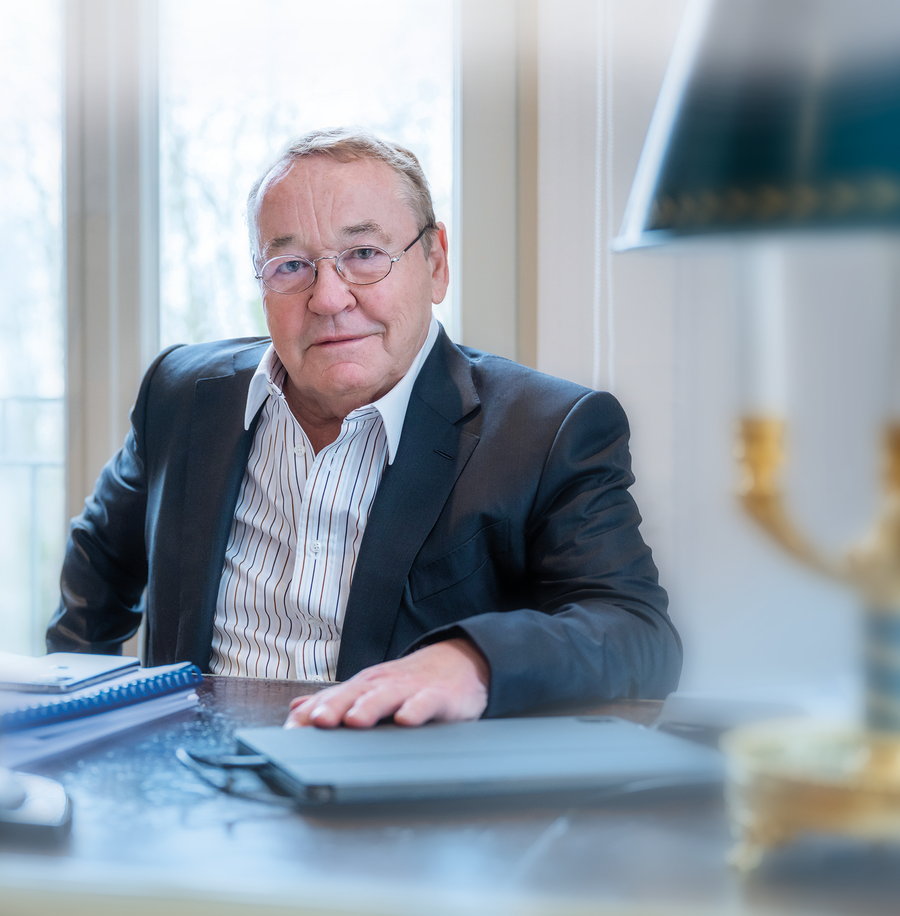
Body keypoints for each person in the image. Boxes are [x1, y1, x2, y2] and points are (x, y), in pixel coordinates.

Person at [47, 128, 680, 728]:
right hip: (194, 783)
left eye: (364, 255)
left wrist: (473, 661)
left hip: (400, 808)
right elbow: (98, 567)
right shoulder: (182, 392)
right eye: (290, 265)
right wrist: (77, 719)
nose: (328, 298)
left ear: (435, 263)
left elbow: (634, 631)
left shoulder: (547, 431)